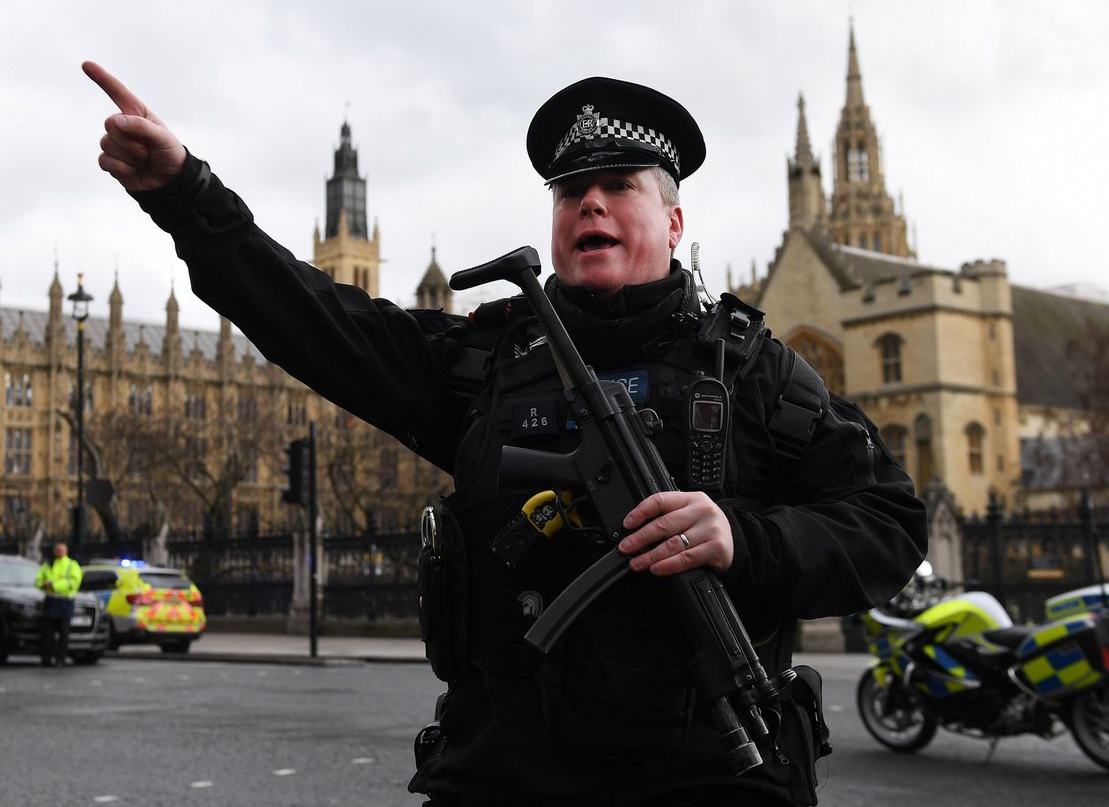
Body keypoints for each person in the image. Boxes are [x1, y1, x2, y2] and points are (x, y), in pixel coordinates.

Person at [84, 62, 928, 806]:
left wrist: (746, 540)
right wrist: (186, 195)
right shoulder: (484, 359)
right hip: (502, 775)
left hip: (711, 771)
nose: (589, 200)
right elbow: (313, 320)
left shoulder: (755, 370)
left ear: (673, 222)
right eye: (569, 191)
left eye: (621, 183)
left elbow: (890, 523)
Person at [35, 542, 82, 667]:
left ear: (66, 551)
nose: (59, 552)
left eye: (61, 550)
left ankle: (60, 659)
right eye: (57, 550)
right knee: (48, 634)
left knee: (64, 634)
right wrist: (43, 584)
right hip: (50, 601)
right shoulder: (48, 564)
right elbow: (38, 580)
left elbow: (74, 582)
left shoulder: (72, 565)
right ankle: (47, 659)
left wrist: (54, 585)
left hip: (65, 602)